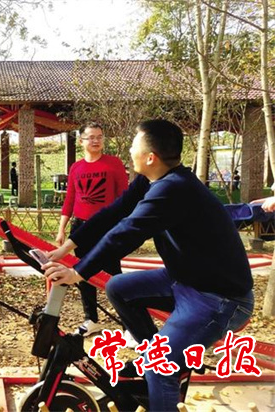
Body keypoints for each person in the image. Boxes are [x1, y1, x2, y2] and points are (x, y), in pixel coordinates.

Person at [44, 119, 254, 412]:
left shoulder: (173, 189)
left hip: (219, 299)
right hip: (185, 279)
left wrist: (78, 272)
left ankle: (160, 369)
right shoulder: (152, 181)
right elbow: (113, 213)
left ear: (151, 157)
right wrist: (66, 248)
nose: (130, 150)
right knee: (118, 287)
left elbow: (126, 232)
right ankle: (154, 359)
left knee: (160, 367)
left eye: (134, 145)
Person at [55, 122, 128, 338]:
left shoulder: (113, 164)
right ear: (81, 141)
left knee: (113, 275)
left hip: (107, 227)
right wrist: (61, 229)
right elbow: (70, 200)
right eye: (91, 137)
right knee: (82, 273)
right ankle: (91, 319)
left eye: (99, 136)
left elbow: (125, 197)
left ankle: (129, 325)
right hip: (81, 228)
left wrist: (123, 225)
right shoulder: (76, 168)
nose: (96, 141)